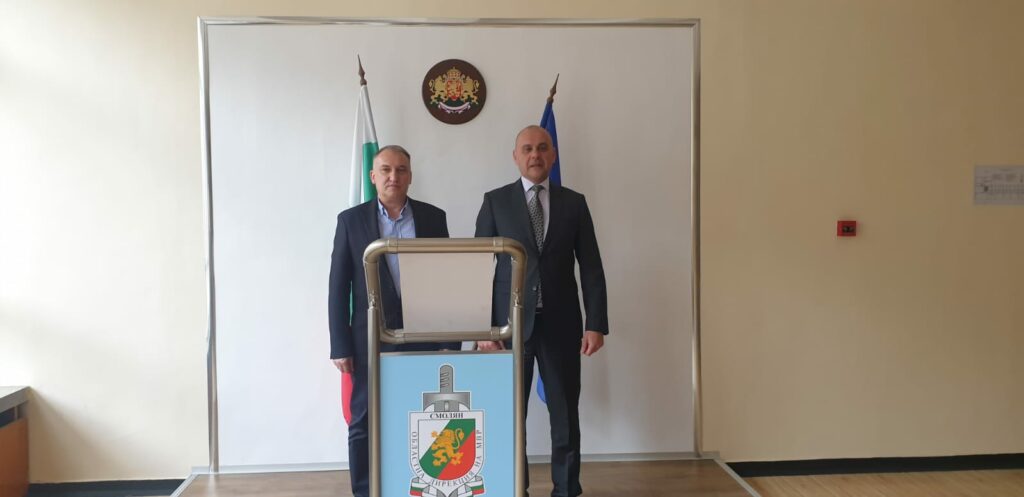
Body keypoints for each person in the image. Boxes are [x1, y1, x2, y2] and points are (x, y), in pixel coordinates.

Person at [475, 125, 609, 497]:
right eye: (527, 149)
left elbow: (591, 266)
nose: (535, 154)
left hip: (561, 326)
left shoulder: (574, 203)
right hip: (509, 329)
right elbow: (477, 266)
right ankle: (513, 488)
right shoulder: (496, 201)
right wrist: (483, 329)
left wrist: (596, 323)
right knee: (509, 415)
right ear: (515, 157)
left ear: (553, 155)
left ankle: (566, 490)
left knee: (564, 416)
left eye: (542, 148)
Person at [328, 145, 457, 497]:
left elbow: (447, 279)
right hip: (368, 339)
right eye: (385, 170)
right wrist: (340, 345)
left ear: (410, 176)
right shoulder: (350, 221)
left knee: (421, 418)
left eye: (401, 170)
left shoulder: (434, 218)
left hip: (424, 336)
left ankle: (415, 487)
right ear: (373, 176)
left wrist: (450, 340)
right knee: (363, 420)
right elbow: (338, 287)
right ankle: (364, 491)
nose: (393, 176)